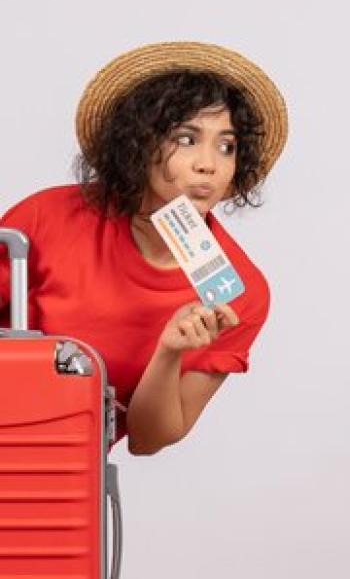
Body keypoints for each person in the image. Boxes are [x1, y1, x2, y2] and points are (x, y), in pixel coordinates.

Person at [0, 41, 288, 455]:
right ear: (139, 142)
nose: (208, 163)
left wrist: (169, 352)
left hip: (64, 473)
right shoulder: (49, 216)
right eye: (187, 139)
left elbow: (148, 440)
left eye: (227, 146)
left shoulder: (242, 295)